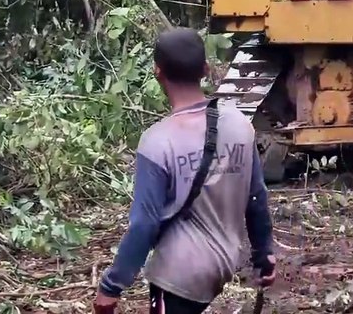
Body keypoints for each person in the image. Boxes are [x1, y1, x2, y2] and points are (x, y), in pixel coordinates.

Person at [94, 27, 276, 314]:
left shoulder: (156, 142)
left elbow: (144, 224)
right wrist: (264, 253)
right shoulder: (240, 125)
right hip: (223, 263)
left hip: (178, 274)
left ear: (157, 72)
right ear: (205, 69)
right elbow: (256, 197)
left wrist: (111, 285)